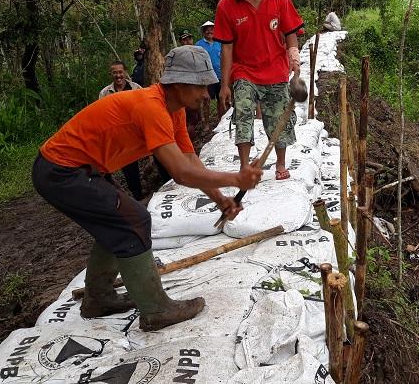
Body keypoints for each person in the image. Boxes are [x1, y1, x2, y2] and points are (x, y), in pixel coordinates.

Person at [32, 46, 262, 331]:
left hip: (79, 169)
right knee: (134, 220)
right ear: (178, 83)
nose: (206, 94)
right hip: (60, 170)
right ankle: (156, 310)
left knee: (118, 222)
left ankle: (99, 299)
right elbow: (180, 173)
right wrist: (236, 179)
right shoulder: (151, 107)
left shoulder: (172, 109)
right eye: (201, 86)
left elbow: (189, 160)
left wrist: (221, 199)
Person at [214, 0, 304, 180]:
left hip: (275, 68)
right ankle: (245, 166)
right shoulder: (226, 5)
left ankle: (280, 164)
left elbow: (290, 30)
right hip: (244, 70)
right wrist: (225, 84)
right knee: (242, 113)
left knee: (278, 117)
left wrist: (294, 56)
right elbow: (226, 47)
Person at [99, 61, 144, 200]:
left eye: (120, 72)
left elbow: (145, 109)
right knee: (129, 166)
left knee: (159, 153)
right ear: (111, 74)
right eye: (115, 72)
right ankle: (138, 196)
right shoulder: (105, 93)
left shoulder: (136, 89)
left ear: (125, 72)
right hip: (120, 135)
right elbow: (102, 116)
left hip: (138, 131)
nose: (118, 75)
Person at [196, 20, 224, 123]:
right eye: (207, 29)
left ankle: (221, 121)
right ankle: (206, 123)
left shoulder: (220, 42)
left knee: (221, 99)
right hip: (207, 78)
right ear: (203, 32)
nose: (209, 31)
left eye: (211, 29)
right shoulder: (199, 45)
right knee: (206, 100)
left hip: (220, 75)